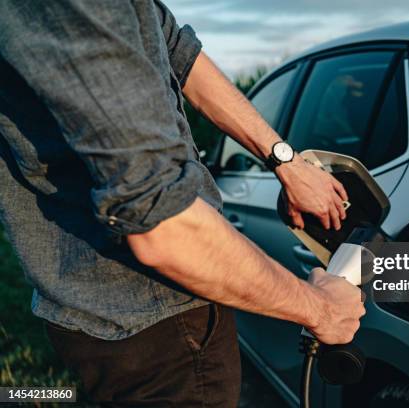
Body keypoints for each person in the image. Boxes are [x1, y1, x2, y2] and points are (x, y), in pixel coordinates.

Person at [0, 1, 365, 406]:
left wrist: (284, 159)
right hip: (152, 325)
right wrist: (321, 310)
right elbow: (163, 223)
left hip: (91, 305)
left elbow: (176, 50)